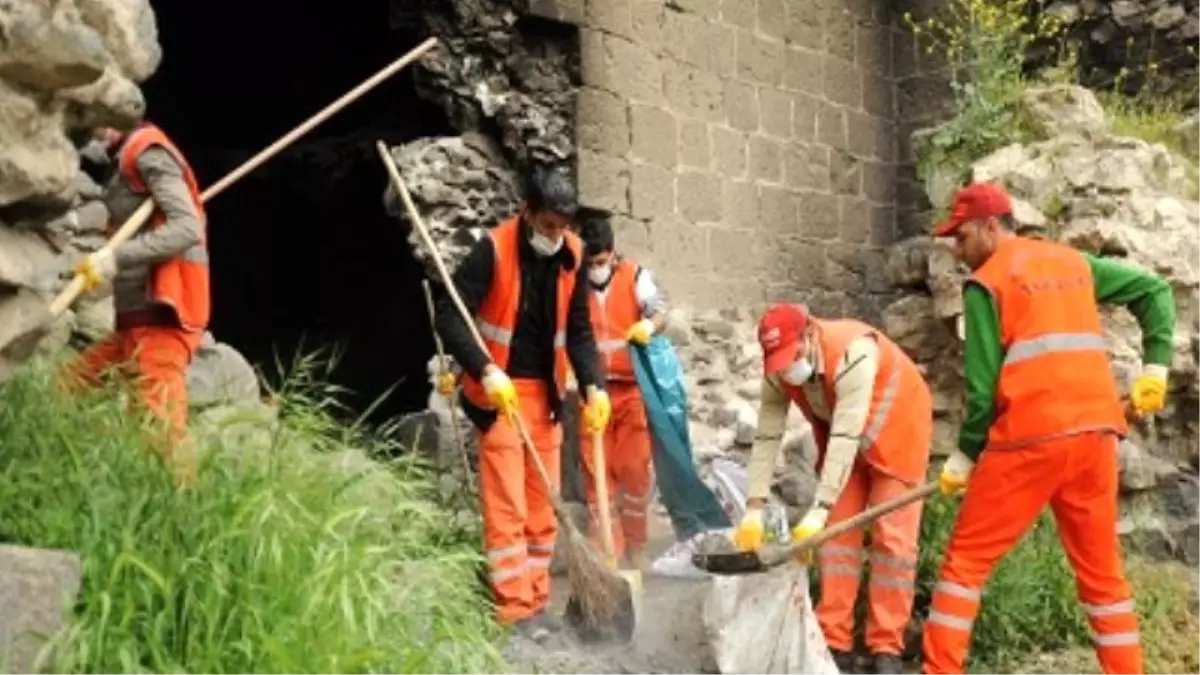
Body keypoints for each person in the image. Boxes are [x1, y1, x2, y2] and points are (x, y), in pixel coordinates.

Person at [923, 182, 1174, 675]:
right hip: (1097, 435)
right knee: (1103, 579)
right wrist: (1155, 368)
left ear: (990, 227)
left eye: (961, 236)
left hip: (1028, 440)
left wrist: (965, 456)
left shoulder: (987, 281)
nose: (956, 250)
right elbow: (1155, 291)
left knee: (964, 568)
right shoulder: (1072, 263)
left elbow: (981, 389)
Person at [435, 167, 611, 644]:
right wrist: (484, 370)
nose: (557, 236)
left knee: (541, 508)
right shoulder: (491, 251)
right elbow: (449, 314)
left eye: (563, 227)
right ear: (528, 213)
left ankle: (536, 603)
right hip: (502, 396)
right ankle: (512, 612)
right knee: (508, 506)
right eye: (549, 226)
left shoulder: (573, 255)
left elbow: (578, 330)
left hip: (548, 399)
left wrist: (594, 384)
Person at [734, 302, 933, 675]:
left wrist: (819, 506)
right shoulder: (778, 369)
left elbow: (846, 433)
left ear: (809, 335)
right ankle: (833, 641)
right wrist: (754, 506)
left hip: (898, 432)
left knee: (893, 543)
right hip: (845, 443)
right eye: (779, 363)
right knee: (836, 540)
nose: (787, 371)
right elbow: (767, 435)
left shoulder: (854, 352)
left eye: (791, 358)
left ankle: (886, 647)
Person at [58, 121, 210, 490]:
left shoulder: (148, 150)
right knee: (65, 389)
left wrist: (116, 258)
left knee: (161, 440)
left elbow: (186, 227)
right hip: (133, 325)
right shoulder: (124, 158)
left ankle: (178, 521)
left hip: (162, 319)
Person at [576, 211, 668, 571]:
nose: (595, 268)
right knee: (597, 476)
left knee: (633, 471)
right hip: (593, 392)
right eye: (590, 263)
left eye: (600, 262)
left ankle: (637, 547)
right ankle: (606, 557)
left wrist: (649, 325)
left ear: (613, 255)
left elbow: (661, 312)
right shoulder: (575, 284)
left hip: (631, 392)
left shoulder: (635, 276)